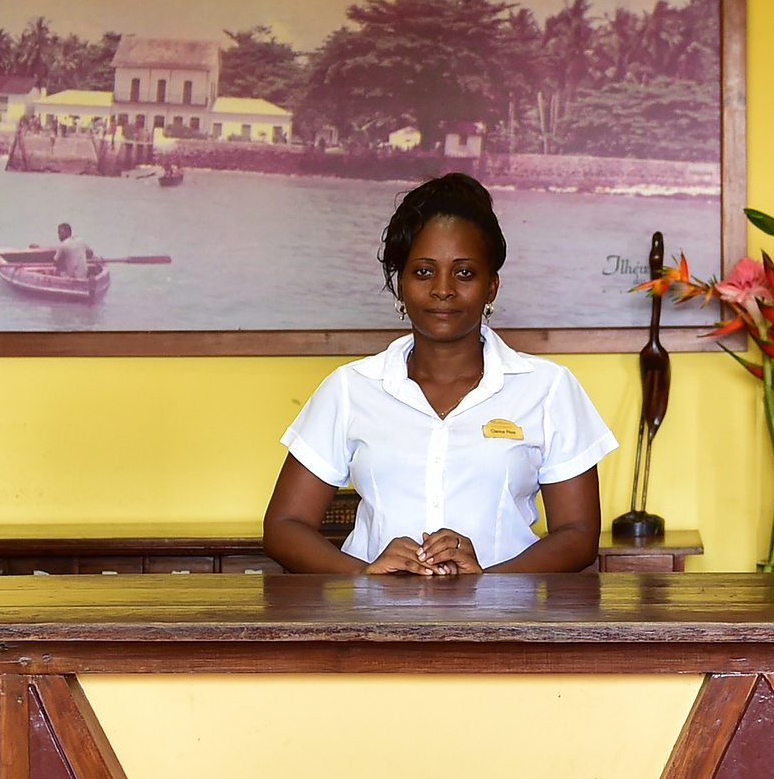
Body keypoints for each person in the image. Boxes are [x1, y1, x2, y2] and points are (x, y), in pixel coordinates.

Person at [263, 173, 616, 575]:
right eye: (424, 272)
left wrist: (488, 583)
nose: (443, 289)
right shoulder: (351, 388)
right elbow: (283, 527)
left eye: (464, 272)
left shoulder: (548, 388)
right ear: (400, 285)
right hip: (376, 628)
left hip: (504, 627)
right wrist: (364, 576)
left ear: (492, 286)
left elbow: (579, 533)